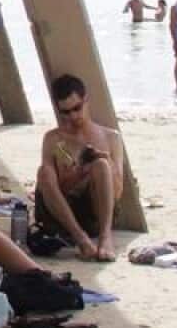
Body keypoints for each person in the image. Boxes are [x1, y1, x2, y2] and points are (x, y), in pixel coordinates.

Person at [35, 75, 125, 263]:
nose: (73, 116)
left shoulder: (110, 137)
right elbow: (50, 187)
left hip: (95, 212)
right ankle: (81, 239)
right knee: (44, 172)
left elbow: (117, 192)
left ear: (86, 100)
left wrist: (105, 161)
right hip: (63, 216)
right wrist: (78, 173)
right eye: (65, 112)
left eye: (77, 108)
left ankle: (105, 237)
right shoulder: (55, 139)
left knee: (101, 165)